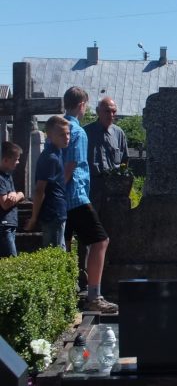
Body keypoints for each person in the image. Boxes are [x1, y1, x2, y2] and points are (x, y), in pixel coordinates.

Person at [62, 86, 118, 313]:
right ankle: (94, 296)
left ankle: (65, 294)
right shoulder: (77, 131)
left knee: (65, 244)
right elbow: (72, 165)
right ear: (83, 105)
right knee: (100, 241)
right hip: (75, 195)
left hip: (61, 198)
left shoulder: (57, 127)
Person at [26, 116, 70, 250]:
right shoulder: (50, 157)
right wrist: (34, 218)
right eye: (62, 134)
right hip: (52, 213)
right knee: (55, 253)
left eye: (68, 133)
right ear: (50, 136)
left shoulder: (57, 152)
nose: (67, 137)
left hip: (57, 211)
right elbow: (40, 190)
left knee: (58, 251)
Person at [83, 97, 129, 213]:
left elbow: (125, 161)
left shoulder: (119, 133)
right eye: (107, 111)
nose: (111, 115)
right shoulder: (86, 133)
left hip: (114, 188)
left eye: (114, 111)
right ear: (98, 112)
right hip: (93, 186)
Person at [0, 142, 25, 258]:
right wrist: (20, 194)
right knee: (11, 260)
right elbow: (5, 203)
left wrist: (16, 194)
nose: (18, 162)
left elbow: (12, 195)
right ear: (5, 160)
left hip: (9, 224)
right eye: (15, 159)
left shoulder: (7, 176)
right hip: (4, 226)